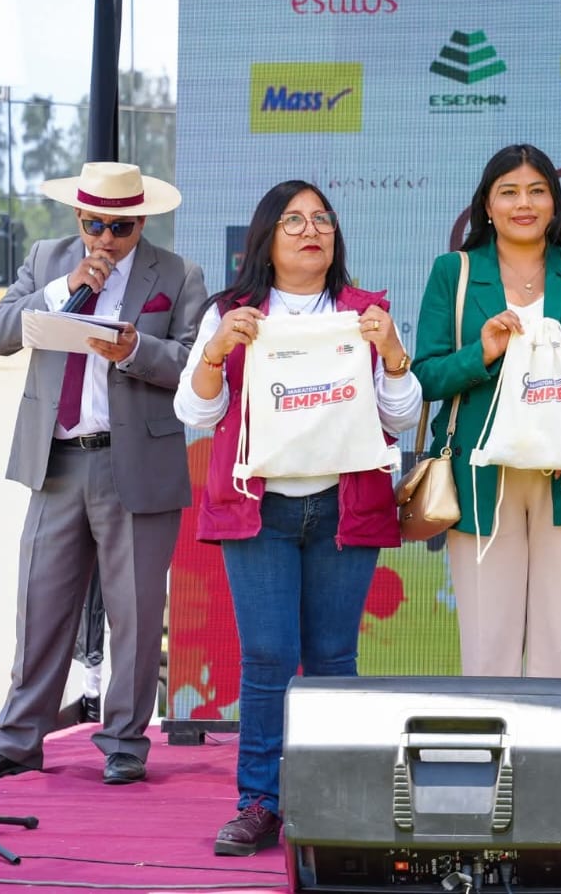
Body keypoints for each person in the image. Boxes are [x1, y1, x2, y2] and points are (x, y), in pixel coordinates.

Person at [174, 180, 423, 856]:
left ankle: (338, 802)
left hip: (345, 508)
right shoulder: (232, 314)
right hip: (261, 513)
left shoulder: (366, 313)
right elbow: (195, 413)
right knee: (268, 657)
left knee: (334, 659)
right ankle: (259, 803)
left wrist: (393, 355)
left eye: (322, 219)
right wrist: (216, 351)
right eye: (293, 220)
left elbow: (400, 418)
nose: (311, 230)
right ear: (266, 239)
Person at [0, 162, 206, 786]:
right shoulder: (47, 259)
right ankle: (17, 740)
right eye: (95, 225)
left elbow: (196, 367)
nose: (106, 239)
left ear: (141, 222)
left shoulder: (178, 274)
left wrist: (135, 351)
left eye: (120, 228)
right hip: (57, 460)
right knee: (39, 605)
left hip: (136, 464)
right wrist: (63, 287)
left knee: (136, 615)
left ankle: (124, 742)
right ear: (78, 217)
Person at [413, 143, 561, 679]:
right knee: (488, 642)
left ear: (555, 203)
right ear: (487, 206)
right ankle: (496, 734)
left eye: (537, 191)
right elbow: (427, 376)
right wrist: (482, 353)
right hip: (482, 475)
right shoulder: (454, 272)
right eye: (508, 192)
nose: (523, 204)